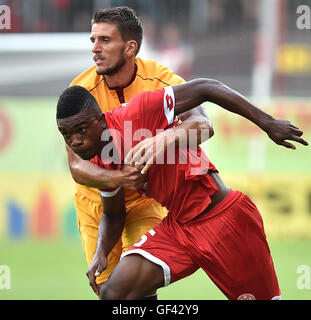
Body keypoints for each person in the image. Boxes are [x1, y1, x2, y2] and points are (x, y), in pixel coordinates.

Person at [56, 79, 308, 300]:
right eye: (66, 135)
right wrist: (101, 253)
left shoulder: (137, 113)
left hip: (224, 220)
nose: (75, 141)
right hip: (179, 231)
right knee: (114, 293)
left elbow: (207, 88)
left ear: (100, 120)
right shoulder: (100, 160)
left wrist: (268, 123)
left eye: (81, 129)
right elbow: (113, 214)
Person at [67, 6, 212, 299]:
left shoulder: (159, 79)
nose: (95, 48)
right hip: (98, 206)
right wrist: (120, 176)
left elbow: (204, 126)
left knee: (138, 285)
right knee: (109, 292)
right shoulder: (81, 90)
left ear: (130, 47)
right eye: (93, 40)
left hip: (145, 200)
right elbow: (76, 167)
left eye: (105, 41)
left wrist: (166, 139)